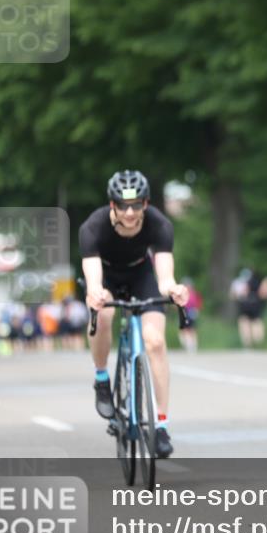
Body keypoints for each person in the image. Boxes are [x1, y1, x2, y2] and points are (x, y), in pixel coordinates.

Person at [78, 170, 189, 458]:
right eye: (123, 205)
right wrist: (96, 293)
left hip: (141, 274)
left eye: (136, 205)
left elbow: (164, 277)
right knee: (102, 316)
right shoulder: (94, 227)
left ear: (146, 204)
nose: (130, 212)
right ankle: (102, 378)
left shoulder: (160, 225)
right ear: (112, 204)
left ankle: (161, 425)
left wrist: (174, 289)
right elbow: (93, 280)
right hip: (107, 276)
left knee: (155, 342)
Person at [230, 267, 265, 348]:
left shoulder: (238, 282)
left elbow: (234, 294)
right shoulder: (257, 281)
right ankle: (258, 341)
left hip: (244, 304)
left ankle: (247, 342)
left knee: (244, 322)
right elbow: (262, 293)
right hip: (256, 303)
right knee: (256, 321)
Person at [178, 276, 202, 354]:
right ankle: (190, 345)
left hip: (189, 313)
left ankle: (190, 345)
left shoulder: (192, 294)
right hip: (187, 313)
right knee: (188, 330)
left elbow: (198, 304)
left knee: (188, 330)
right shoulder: (193, 293)